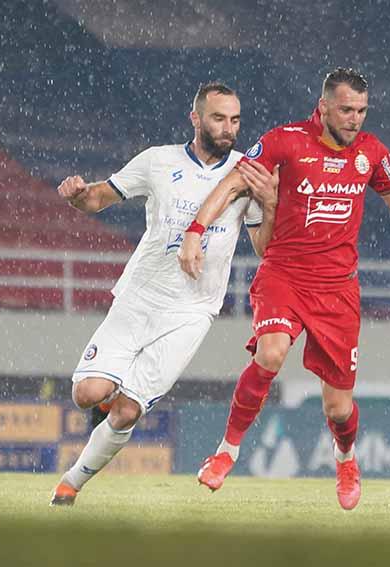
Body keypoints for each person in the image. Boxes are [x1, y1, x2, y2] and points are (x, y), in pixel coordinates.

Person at [178, 68, 390, 510]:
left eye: (362, 111)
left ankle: (346, 459)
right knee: (271, 352)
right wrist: (197, 230)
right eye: (347, 109)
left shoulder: (370, 152)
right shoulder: (285, 140)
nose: (355, 119)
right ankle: (226, 451)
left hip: (337, 290)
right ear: (324, 107)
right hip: (285, 275)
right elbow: (232, 182)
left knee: (337, 408)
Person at [49, 83, 278, 506]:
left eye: (235, 120)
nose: (228, 128)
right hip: (139, 296)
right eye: (218, 118)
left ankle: (71, 483)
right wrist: (77, 196)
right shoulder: (157, 160)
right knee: (88, 394)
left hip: (192, 311)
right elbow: (99, 198)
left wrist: (270, 200)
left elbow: (264, 248)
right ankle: (111, 395)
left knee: (128, 412)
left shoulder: (249, 172)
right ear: (195, 118)